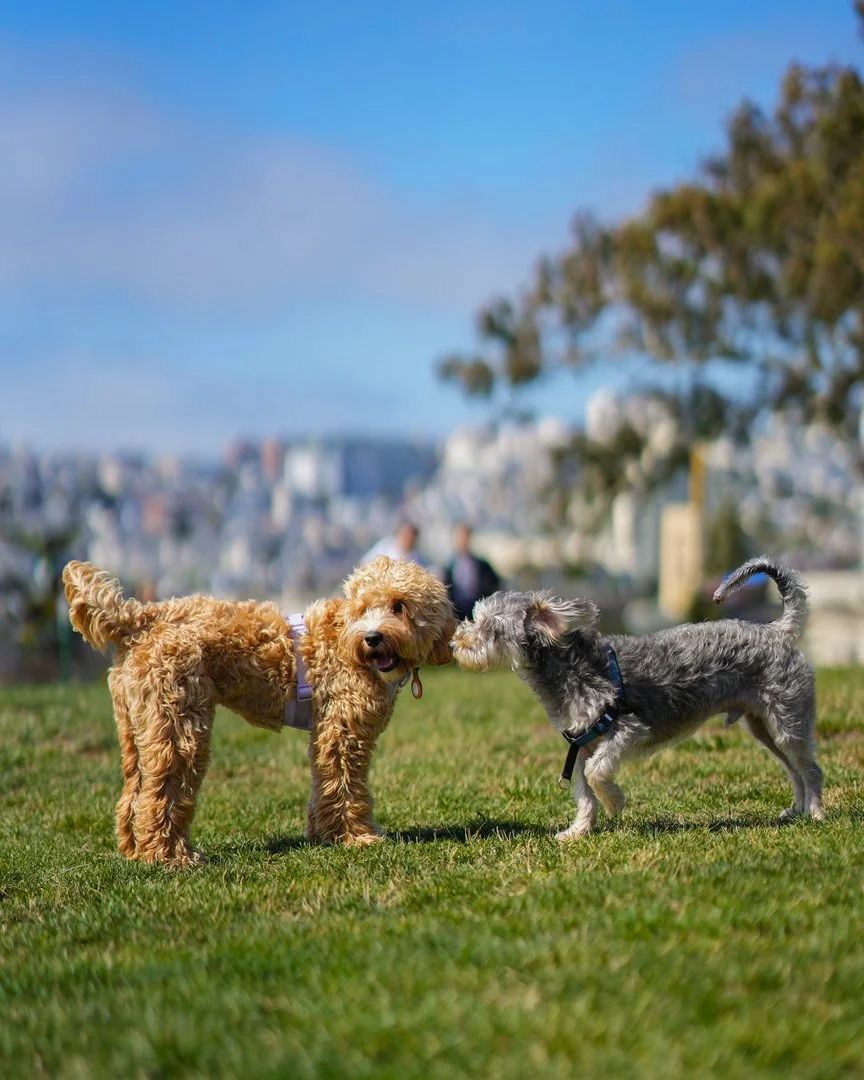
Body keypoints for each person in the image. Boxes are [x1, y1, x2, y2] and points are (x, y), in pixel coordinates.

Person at [443, 523, 501, 620]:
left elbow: (493, 585)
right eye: (460, 537)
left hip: (477, 612)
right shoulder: (449, 567)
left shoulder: (482, 565)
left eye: (465, 536)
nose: (463, 540)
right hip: (456, 612)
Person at [361, 521, 428, 566]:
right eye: (405, 535)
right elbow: (365, 562)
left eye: (411, 537)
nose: (408, 540)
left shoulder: (418, 558)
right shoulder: (385, 546)